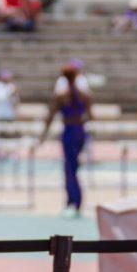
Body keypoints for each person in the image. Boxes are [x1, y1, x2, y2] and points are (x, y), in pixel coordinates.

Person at [40, 64, 91, 218]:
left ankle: (73, 201)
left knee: (69, 168)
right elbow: (91, 115)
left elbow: (50, 117)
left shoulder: (61, 96)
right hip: (80, 131)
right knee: (73, 167)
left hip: (69, 131)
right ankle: (75, 200)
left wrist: (43, 136)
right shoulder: (84, 95)